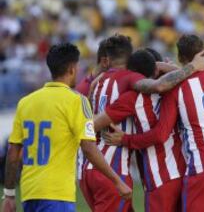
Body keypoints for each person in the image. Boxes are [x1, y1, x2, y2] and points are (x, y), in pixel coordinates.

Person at [111, 35, 204, 212]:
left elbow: (161, 133)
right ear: (203, 54)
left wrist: (126, 139)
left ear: (181, 58)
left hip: (203, 165)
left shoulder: (179, 87)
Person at [80, 34, 204, 212]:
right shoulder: (159, 90)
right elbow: (162, 85)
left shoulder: (99, 83)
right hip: (120, 170)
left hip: (96, 167)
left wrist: (125, 139)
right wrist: (189, 66)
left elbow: (89, 121)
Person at [1, 43, 131, 212]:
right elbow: (88, 148)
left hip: (29, 194)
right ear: (72, 68)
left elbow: (13, 152)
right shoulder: (76, 101)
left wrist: (9, 195)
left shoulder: (25, 103)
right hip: (57, 194)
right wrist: (117, 181)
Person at [94, 49, 186, 211]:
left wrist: (125, 140)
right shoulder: (174, 90)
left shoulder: (132, 97)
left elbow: (159, 135)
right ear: (157, 69)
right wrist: (169, 67)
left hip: (160, 178)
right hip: (181, 174)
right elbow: (194, 75)